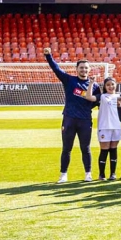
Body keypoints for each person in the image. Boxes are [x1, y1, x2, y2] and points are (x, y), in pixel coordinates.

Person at [43, 47, 99, 183]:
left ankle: (88, 174)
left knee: (85, 148)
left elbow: (97, 101)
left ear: (89, 70)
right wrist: (49, 56)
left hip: (85, 120)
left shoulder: (95, 86)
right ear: (77, 69)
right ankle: (63, 174)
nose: (84, 70)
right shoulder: (69, 80)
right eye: (81, 68)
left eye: (86, 68)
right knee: (66, 148)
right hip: (69, 119)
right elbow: (56, 69)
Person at [95, 76, 121, 181]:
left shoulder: (120, 97)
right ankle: (101, 174)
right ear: (105, 86)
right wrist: (91, 84)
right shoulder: (102, 97)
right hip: (104, 126)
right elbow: (88, 97)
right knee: (104, 150)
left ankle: (113, 174)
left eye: (112, 84)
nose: (110, 86)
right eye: (108, 85)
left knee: (113, 149)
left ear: (116, 85)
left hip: (116, 127)